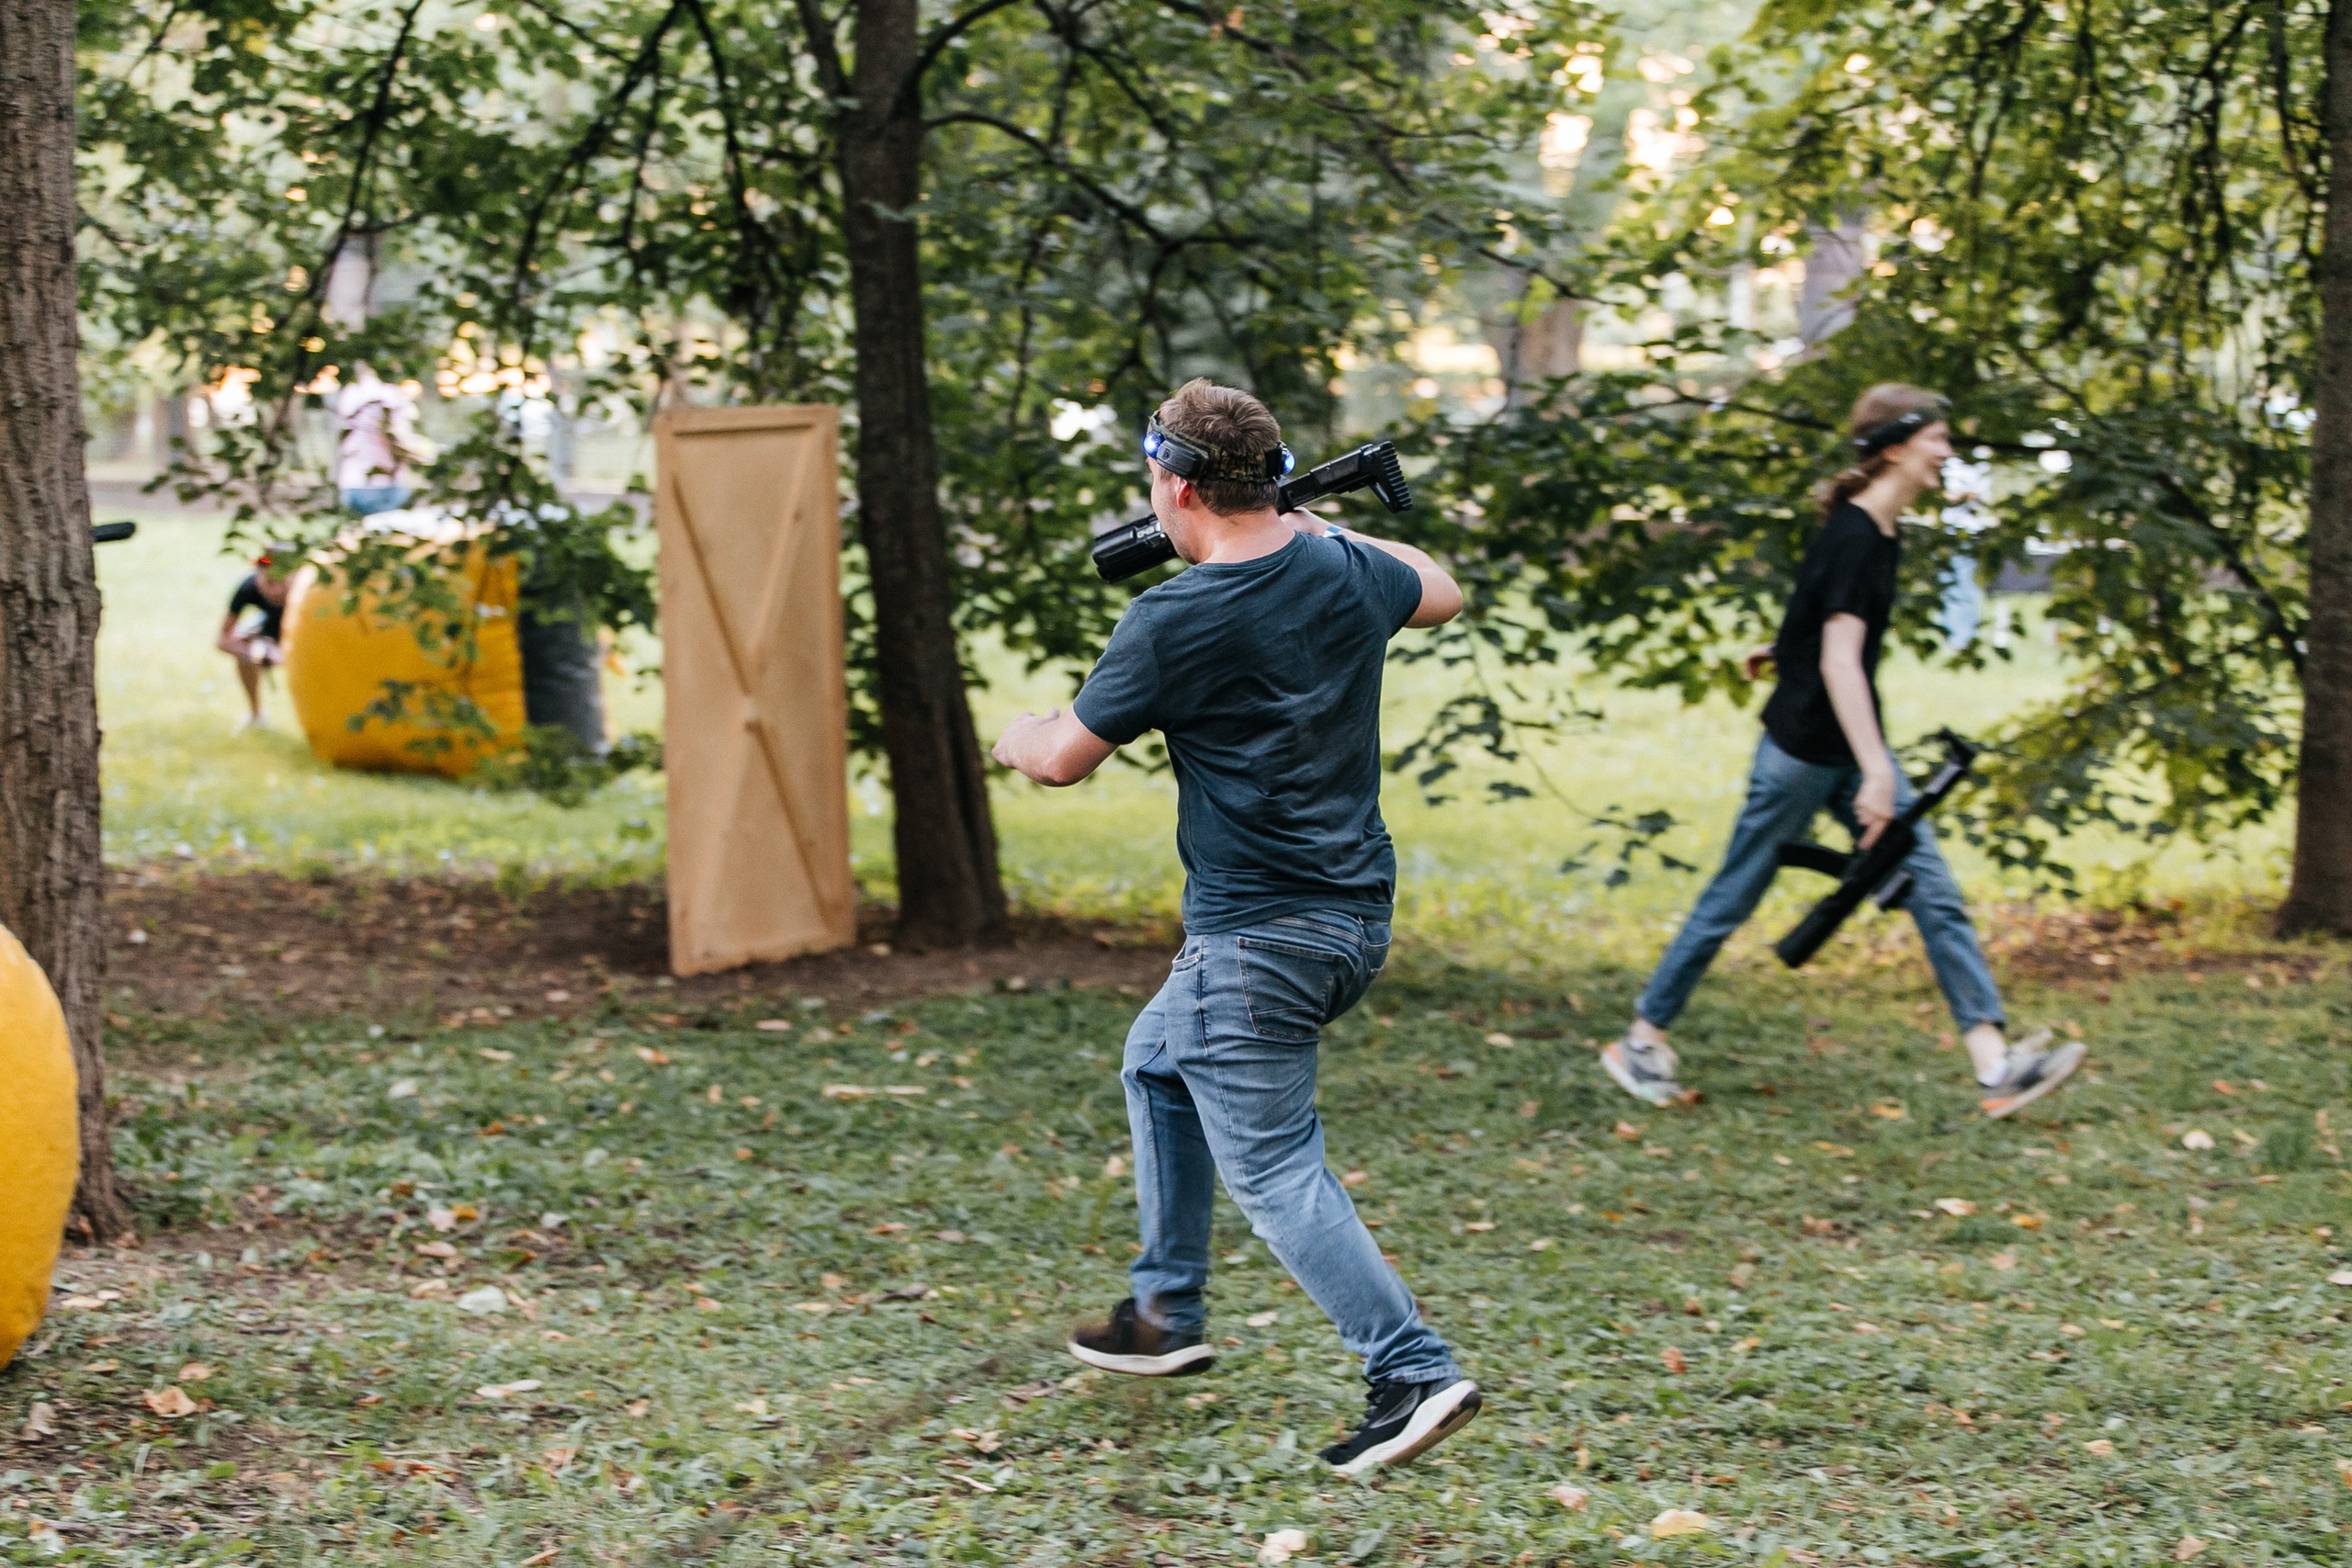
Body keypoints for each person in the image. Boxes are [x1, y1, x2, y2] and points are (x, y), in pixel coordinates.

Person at [992, 379, 1478, 1476]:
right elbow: (1440, 591)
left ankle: (1409, 1369)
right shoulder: (1343, 568)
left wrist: (1014, 733)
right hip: (1350, 922)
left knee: (1272, 1169)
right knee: (1157, 1063)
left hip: (1254, 939)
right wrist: (1311, 523)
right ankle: (1163, 1313)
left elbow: (1064, 756)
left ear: (1173, 484)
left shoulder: (1171, 616)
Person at [1600, 384, 2085, 1121]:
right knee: (1735, 893)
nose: (1948, 455)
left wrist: (1783, 647)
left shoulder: (1874, 530)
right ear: (1896, 447)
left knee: (1929, 885)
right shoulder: (1858, 533)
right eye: (1938, 441)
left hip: (1841, 740)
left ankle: (1996, 1063)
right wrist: (1880, 769)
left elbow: (1823, 626)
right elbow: (1839, 660)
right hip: (1804, 753)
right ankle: (1641, 1038)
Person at [335, 364, 424, 515]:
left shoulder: (350, 395)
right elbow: (398, 435)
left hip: (354, 484)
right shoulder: (391, 396)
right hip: (385, 487)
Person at [217, 554, 292, 731]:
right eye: (270, 583)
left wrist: (285, 656)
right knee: (243, 642)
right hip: (268, 637)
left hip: (298, 639)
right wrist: (254, 654)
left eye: (281, 582)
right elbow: (222, 639)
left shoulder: (305, 592)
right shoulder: (248, 588)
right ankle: (255, 713)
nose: (276, 591)